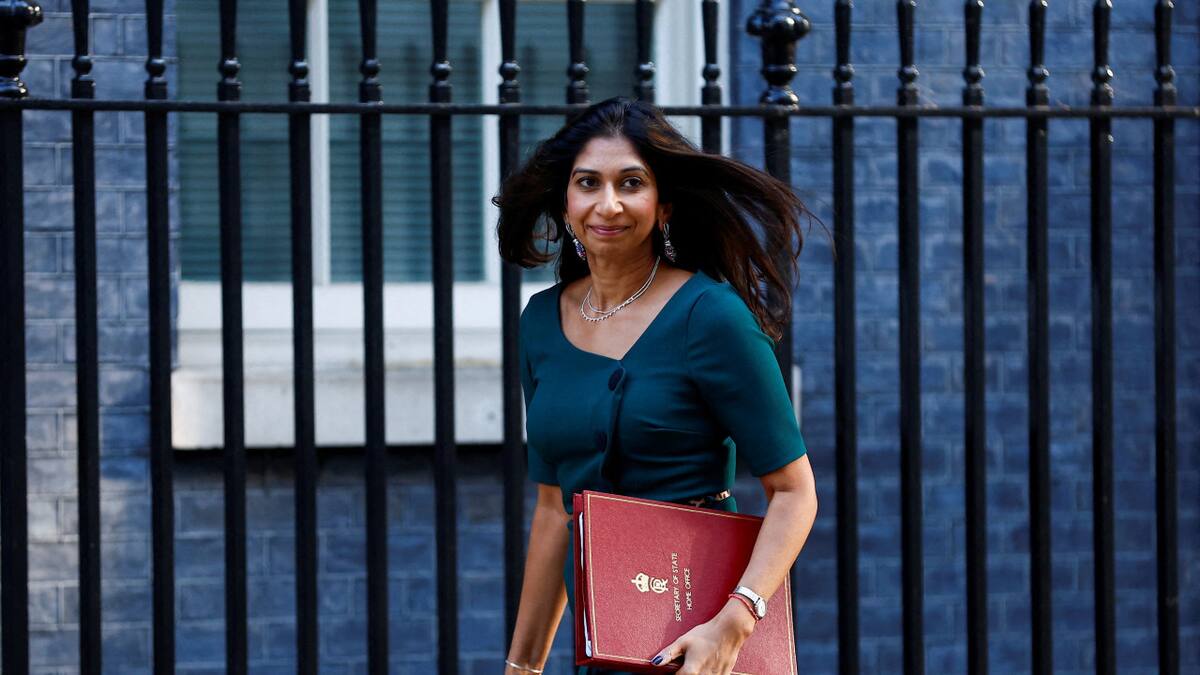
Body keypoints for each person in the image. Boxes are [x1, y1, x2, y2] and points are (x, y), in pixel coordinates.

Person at [495, 97, 819, 675]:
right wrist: (522, 667)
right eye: (588, 183)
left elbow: (794, 492)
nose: (608, 204)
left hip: (701, 642)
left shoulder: (711, 316)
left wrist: (736, 620)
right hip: (605, 647)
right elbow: (552, 511)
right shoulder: (541, 321)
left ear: (663, 205)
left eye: (632, 183)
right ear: (566, 202)